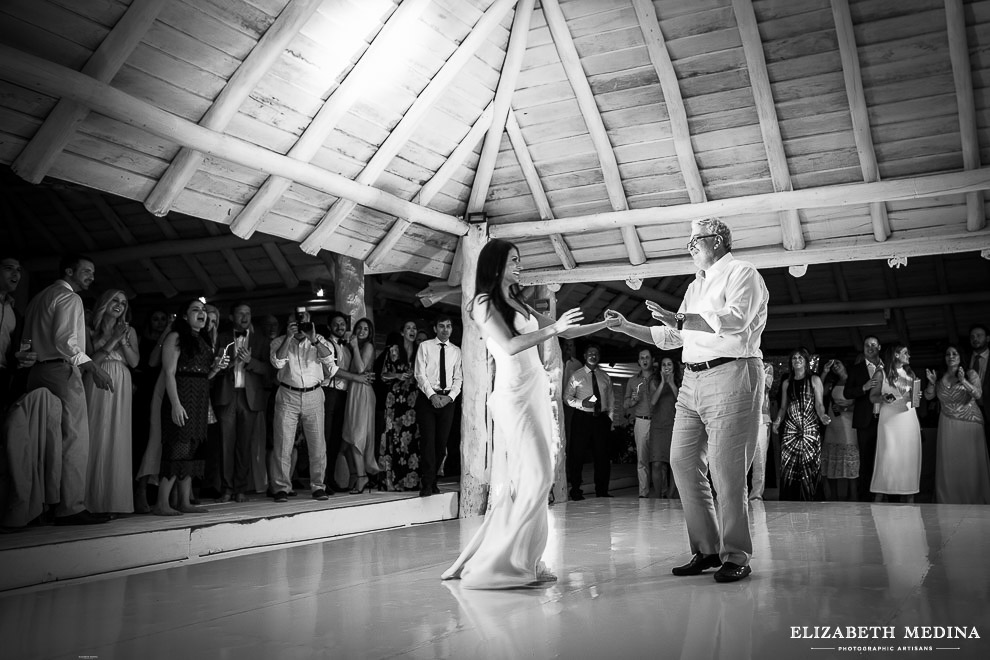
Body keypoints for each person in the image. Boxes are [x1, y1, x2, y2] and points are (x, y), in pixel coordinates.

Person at [441, 238, 612, 589]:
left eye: (520, 260)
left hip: (534, 391)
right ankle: (500, 562)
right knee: (537, 476)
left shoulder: (517, 300)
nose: (520, 265)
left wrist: (605, 324)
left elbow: (566, 330)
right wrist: (556, 328)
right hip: (513, 396)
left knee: (532, 479)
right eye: (514, 260)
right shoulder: (483, 303)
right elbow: (508, 345)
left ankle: (528, 560)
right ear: (496, 264)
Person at [606, 217, 769, 583]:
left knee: (726, 473)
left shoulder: (743, 272)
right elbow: (672, 336)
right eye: (689, 242)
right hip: (691, 381)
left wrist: (679, 317)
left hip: (732, 372)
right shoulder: (695, 286)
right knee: (681, 462)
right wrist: (627, 327)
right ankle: (707, 550)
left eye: (695, 240)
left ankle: (736, 554)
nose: (690, 247)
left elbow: (735, 320)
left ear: (718, 240)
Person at [24, 254, 114, 525]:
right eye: (86, 271)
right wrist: (94, 368)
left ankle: (39, 505)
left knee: (41, 437)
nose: (91, 277)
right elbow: (66, 342)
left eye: (93, 272)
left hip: (34, 371)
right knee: (75, 439)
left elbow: (27, 339)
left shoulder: (38, 298)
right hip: (61, 371)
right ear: (69, 270)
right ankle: (70, 507)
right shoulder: (69, 298)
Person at [155, 299, 227, 515]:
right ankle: (161, 503)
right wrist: (175, 404)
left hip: (200, 398)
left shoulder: (203, 340)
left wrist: (216, 369)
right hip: (182, 396)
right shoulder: (175, 337)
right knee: (178, 448)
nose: (202, 313)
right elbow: (169, 373)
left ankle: (184, 501)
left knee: (193, 449)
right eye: (196, 310)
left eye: (203, 310)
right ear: (185, 316)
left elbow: (204, 375)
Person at [269, 308, 337, 502]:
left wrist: (313, 338)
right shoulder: (279, 341)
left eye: (303, 320)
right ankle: (282, 487)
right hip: (287, 395)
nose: (299, 324)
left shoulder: (319, 340)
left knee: (317, 444)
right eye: (295, 321)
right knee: (283, 443)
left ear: (310, 321)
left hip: (314, 394)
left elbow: (329, 360)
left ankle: (318, 486)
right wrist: (289, 337)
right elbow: (278, 363)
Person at [83, 289, 140, 514]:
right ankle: (89, 500)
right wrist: (113, 339)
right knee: (95, 433)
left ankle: (114, 500)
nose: (119, 305)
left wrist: (123, 340)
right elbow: (89, 362)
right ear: (104, 303)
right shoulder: (90, 329)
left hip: (122, 381)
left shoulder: (130, 330)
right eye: (115, 300)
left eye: (124, 303)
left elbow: (134, 362)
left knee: (117, 435)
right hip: (96, 380)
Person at [213, 302, 270, 503]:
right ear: (232, 317)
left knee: (244, 445)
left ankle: (241, 489)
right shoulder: (221, 338)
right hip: (227, 395)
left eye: (248, 313)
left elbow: (268, 370)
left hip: (250, 398)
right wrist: (230, 363)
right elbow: (213, 367)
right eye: (240, 314)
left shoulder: (261, 340)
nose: (245, 317)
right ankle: (226, 489)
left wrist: (250, 362)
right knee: (225, 445)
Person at [926, 345, 990, 503]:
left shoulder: (970, 373)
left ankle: (974, 497)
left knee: (970, 463)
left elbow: (978, 394)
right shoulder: (939, 376)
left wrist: (963, 381)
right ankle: (950, 498)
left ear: (961, 357)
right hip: (947, 423)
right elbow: (928, 397)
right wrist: (932, 383)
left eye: (955, 353)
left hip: (969, 422)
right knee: (950, 463)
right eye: (948, 354)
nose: (951, 356)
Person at [414, 316, 462, 497]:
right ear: (435, 328)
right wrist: (432, 395)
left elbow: (458, 378)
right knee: (428, 442)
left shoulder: (456, 351)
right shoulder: (425, 347)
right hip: (428, 398)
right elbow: (420, 374)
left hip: (447, 400)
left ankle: (433, 479)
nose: (445, 330)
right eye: (441, 326)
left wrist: (449, 397)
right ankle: (427, 483)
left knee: (441, 444)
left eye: (448, 326)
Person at [773, 348, 829, 501]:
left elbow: (819, 404)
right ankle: (790, 500)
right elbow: (783, 407)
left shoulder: (814, 380)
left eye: (800, 358)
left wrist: (822, 415)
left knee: (810, 464)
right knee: (789, 466)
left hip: (809, 429)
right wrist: (777, 421)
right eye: (794, 358)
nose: (797, 360)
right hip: (791, 430)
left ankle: (811, 498)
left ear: (805, 361)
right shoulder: (786, 383)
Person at [869, 343, 922, 503]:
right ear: (896, 355)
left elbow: (916, 401)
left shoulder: (910, 374)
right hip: (890, 420)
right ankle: (880, 493)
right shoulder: (881, 374)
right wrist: (882, 398)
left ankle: (909, 494)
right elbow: (872, 396)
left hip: (908, 418)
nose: (909, 356)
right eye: (906, 353)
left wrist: (916, 395)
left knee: (908, 457)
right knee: (888, 455)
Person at [565, 344, 615, 499]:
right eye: (590, 353)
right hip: (582, 418)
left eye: (596, 353)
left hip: (601, 419)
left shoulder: (605, 376)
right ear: (585, 355)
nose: (593, 355)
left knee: (603, 456)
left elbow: (611, 399)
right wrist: (581, 403)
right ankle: (575, 490)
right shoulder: (576, 375)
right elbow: (566, 398)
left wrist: (610, 420)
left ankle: (602, 491)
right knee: (577, 454)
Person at [379, 323, 422, 491]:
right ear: (402, 332)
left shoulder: (420, 349)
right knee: (393, 436)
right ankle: (392, 481)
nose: (412, 331)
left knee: (411, 437)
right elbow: (383, 375)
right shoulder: (393, 350)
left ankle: (410, 481)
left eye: (414, 328)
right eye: (409, 328)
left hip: (413, 398)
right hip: (395, 399)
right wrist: (397, 375)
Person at [844, 336, 884, 501]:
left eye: (873, 344)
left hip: (886, 419)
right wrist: (863, 387)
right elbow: (847, 393)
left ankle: (889, 496)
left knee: (886, 458)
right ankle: (866, 498)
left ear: (879, 347)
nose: (870, 347)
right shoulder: (856, 369)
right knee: (866, 461)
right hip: (865, 421)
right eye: (867, 345)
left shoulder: (888, 367)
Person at [342, 317, 379, 493]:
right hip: (355, 391)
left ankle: (362, 477)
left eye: (366, 329)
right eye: (360, 328)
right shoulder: (355, 347)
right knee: (350, 436)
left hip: (362, 391)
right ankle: (357, 474)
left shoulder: (368, 346)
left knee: (357, 435)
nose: (362, 331)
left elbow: (360, 368)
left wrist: (355, 347)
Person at [820, 359, 859, 501]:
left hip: (848, 423)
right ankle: (834, 496)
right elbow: (819, 392)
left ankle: (853, 496)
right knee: (831, 459)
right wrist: (824, 372)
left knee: (850, 462)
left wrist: (844, 408)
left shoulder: (854, 381)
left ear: (845, 364)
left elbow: (861, 405)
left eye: (838, 363)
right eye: (833, 365)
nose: (835, 366)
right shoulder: (832, 382)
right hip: (833, 424)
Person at [0, 255, 35, 410]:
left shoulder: (14, 312)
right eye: (9, 268)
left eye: (18, 270)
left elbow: (11, 350)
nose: (15, 274)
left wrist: (21, 360)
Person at [625, 348, 657, 498]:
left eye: (647, 357)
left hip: (660, 423)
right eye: (641, 358)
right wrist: (632, 401)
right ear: (638, 361)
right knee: (642, 459)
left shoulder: (659, 378)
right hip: (641, 421)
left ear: (652, 360)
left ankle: (662, 493)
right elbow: (625, 404)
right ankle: (643, 494)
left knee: (660, 460)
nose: (644, 360)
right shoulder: (633, 380)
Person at [648, 356, 678, 499]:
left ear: (673, 367)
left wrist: (671, 384)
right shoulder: (654, 382)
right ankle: (659, 497)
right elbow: (653, 401)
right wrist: (663, 383)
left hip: (674, 426)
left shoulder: (679, 382)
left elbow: (680, 402)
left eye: (669, 364)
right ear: (660, 368)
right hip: (658, 426)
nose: (666, 367)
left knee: (673, 464)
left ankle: (671, 496)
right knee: (657, 463)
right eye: (664, 365)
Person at [748, 361, 774, 500]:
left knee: (760, 459)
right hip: (742, 417)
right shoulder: (738, 364)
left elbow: (765, 386)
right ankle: (737, 494)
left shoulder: (766, 366)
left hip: (761, 418)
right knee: (740, 459)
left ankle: (756, 495)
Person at [969, 324, 989, 448]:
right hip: (968, 410)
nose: (975, 339)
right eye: (972, 337)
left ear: (988, 338)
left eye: (979, 335)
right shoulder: (964, 358)